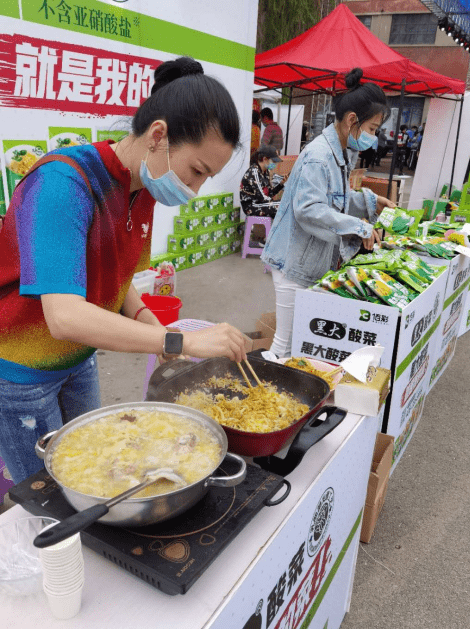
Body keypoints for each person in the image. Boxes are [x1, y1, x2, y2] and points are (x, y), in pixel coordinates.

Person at [0, 56, 248, 484]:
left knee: (98, 468)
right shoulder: (64, 183)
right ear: (158, 136)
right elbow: (65, 316)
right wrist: (178, 337)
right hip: (22, 372)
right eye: (197, 172)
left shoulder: (141, 189)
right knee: (48, 496)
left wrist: (147, 321)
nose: (194, 189)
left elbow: (118, 277)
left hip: (79, 358)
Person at [261, 67, 395, 358]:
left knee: (297, 345)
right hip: (294, 264)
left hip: (309, 262)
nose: (373, 136)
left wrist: (372, 202)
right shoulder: (320, 156)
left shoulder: (339, 153)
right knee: (285, 348)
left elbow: (338, 199)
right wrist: (359, 228)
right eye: (372, 129)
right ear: (351, 120)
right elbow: (310, 209)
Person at [240, 144, 287, 246]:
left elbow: (269, 194)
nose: (275, 164)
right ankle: (269, 239)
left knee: (285, 204)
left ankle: (269, 238)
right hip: (251, 206)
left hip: (260, 204)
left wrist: (281, 184)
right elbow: (262, 198)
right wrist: (276, 203)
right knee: (282, 205)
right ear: (265, 159)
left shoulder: (265, 172)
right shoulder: (254, 172)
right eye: (273, 161)